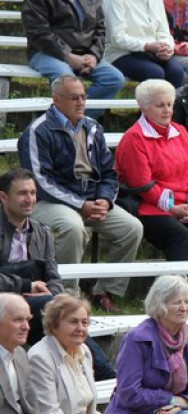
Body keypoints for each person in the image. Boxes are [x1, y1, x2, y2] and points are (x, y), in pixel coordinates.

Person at [18, 76, 142, 313]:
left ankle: (105, 291)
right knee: (73, 227)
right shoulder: (38, 131)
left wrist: (105, 200)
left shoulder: (93, 127)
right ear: (56, 100)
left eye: (84, 96)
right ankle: (66, 296)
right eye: (74, 97)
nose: (81, 102)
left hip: (91, 200)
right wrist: (80, 204)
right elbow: (39, 181)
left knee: (131, 228)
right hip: (47, 201)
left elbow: (109, 173)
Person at [114, 79, 188, 302]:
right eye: (160, 105)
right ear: (144, 107)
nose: (167, 110)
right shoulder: (134, 137)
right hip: (147, 207)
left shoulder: (180, 132)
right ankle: (181, 294)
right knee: (179, 234)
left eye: (170, 104)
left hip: (184, 204)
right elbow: (142, 185)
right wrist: (173, 209)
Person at [27, 294, 124, 414]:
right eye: (73, 322)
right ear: (54, 325)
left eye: (85, 322)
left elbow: (85, 403)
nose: (80, 328)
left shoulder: (84, 351)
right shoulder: (40, 357)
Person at [105, 276, 188, 414]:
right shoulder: (137, 338)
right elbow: (128, 393)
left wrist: (182, 404)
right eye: (177, 302)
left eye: (187, 302)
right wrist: (169, 400)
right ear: (160, 305)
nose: (184, 307)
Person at [22, 0, 126, 118]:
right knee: (67, 81)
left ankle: (77, 121)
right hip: (46, 52)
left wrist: (94, 55)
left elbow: (100, 29)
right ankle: (62, 123)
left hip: (84, 53)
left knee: (114, 78)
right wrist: (68, 56)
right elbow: (38, 32)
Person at [0, 169, 66, 344]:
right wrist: (27, 285)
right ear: (3, 197)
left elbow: (53, 277)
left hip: (34, 305)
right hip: (4, 302)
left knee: (67, 314)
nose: (29, 199)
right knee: (56, 315)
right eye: (22, 193)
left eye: (33, 193)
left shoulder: (42, 233)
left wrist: (54, 295)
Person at [102, 0, 185, 86]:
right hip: (121, 53)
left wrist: (167, 48)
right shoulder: (114, 2)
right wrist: (146, 46)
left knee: (176, 71)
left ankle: (172, 96)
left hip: (152, 52)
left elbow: (164, 32)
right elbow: (116, 38)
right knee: (155, 72)